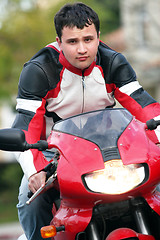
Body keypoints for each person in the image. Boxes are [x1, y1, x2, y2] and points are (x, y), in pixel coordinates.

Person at [12, 2, 160, 240]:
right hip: (53, 154)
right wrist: (34, 171)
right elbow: (25, 126)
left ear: (98, 37)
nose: (82, 49)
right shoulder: (40, 70)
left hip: (112, 148)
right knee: (30, 201)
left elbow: (143, 105)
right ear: (59, 41)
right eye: (72, 42)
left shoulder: (113, 62)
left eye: (88, 40)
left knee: (156, 185)